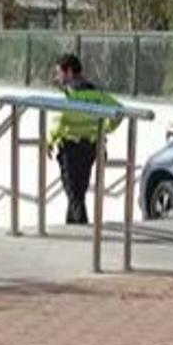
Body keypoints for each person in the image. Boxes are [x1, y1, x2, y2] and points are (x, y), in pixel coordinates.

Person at [49, 54, 121, 225]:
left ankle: (83, 228)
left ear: (69, 72)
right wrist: (104, 129)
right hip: (90, 146)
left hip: (70, 147)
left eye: (59, 73)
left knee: (74, 193)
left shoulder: (70, 94)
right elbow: (118, 111)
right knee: (78, 190)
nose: (57, 78)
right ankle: (72, 226)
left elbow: (59, 121)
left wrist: (50, 140)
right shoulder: (96, 93)